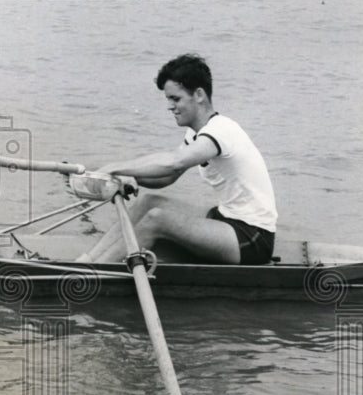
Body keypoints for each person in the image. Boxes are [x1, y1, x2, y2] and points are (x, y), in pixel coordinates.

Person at [77, 53, 276, 266]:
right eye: (168, 99)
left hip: (253, 237)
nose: (170, 106)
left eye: (176, 99)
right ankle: (86, 262)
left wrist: (114, 168)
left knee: (156, 219)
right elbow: (168, 176)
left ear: (199, 95)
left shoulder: (222, 130)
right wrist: (129, 178)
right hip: (225, 218)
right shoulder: (196, 134)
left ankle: (93, 275)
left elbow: (174, 161)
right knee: (148, 202)